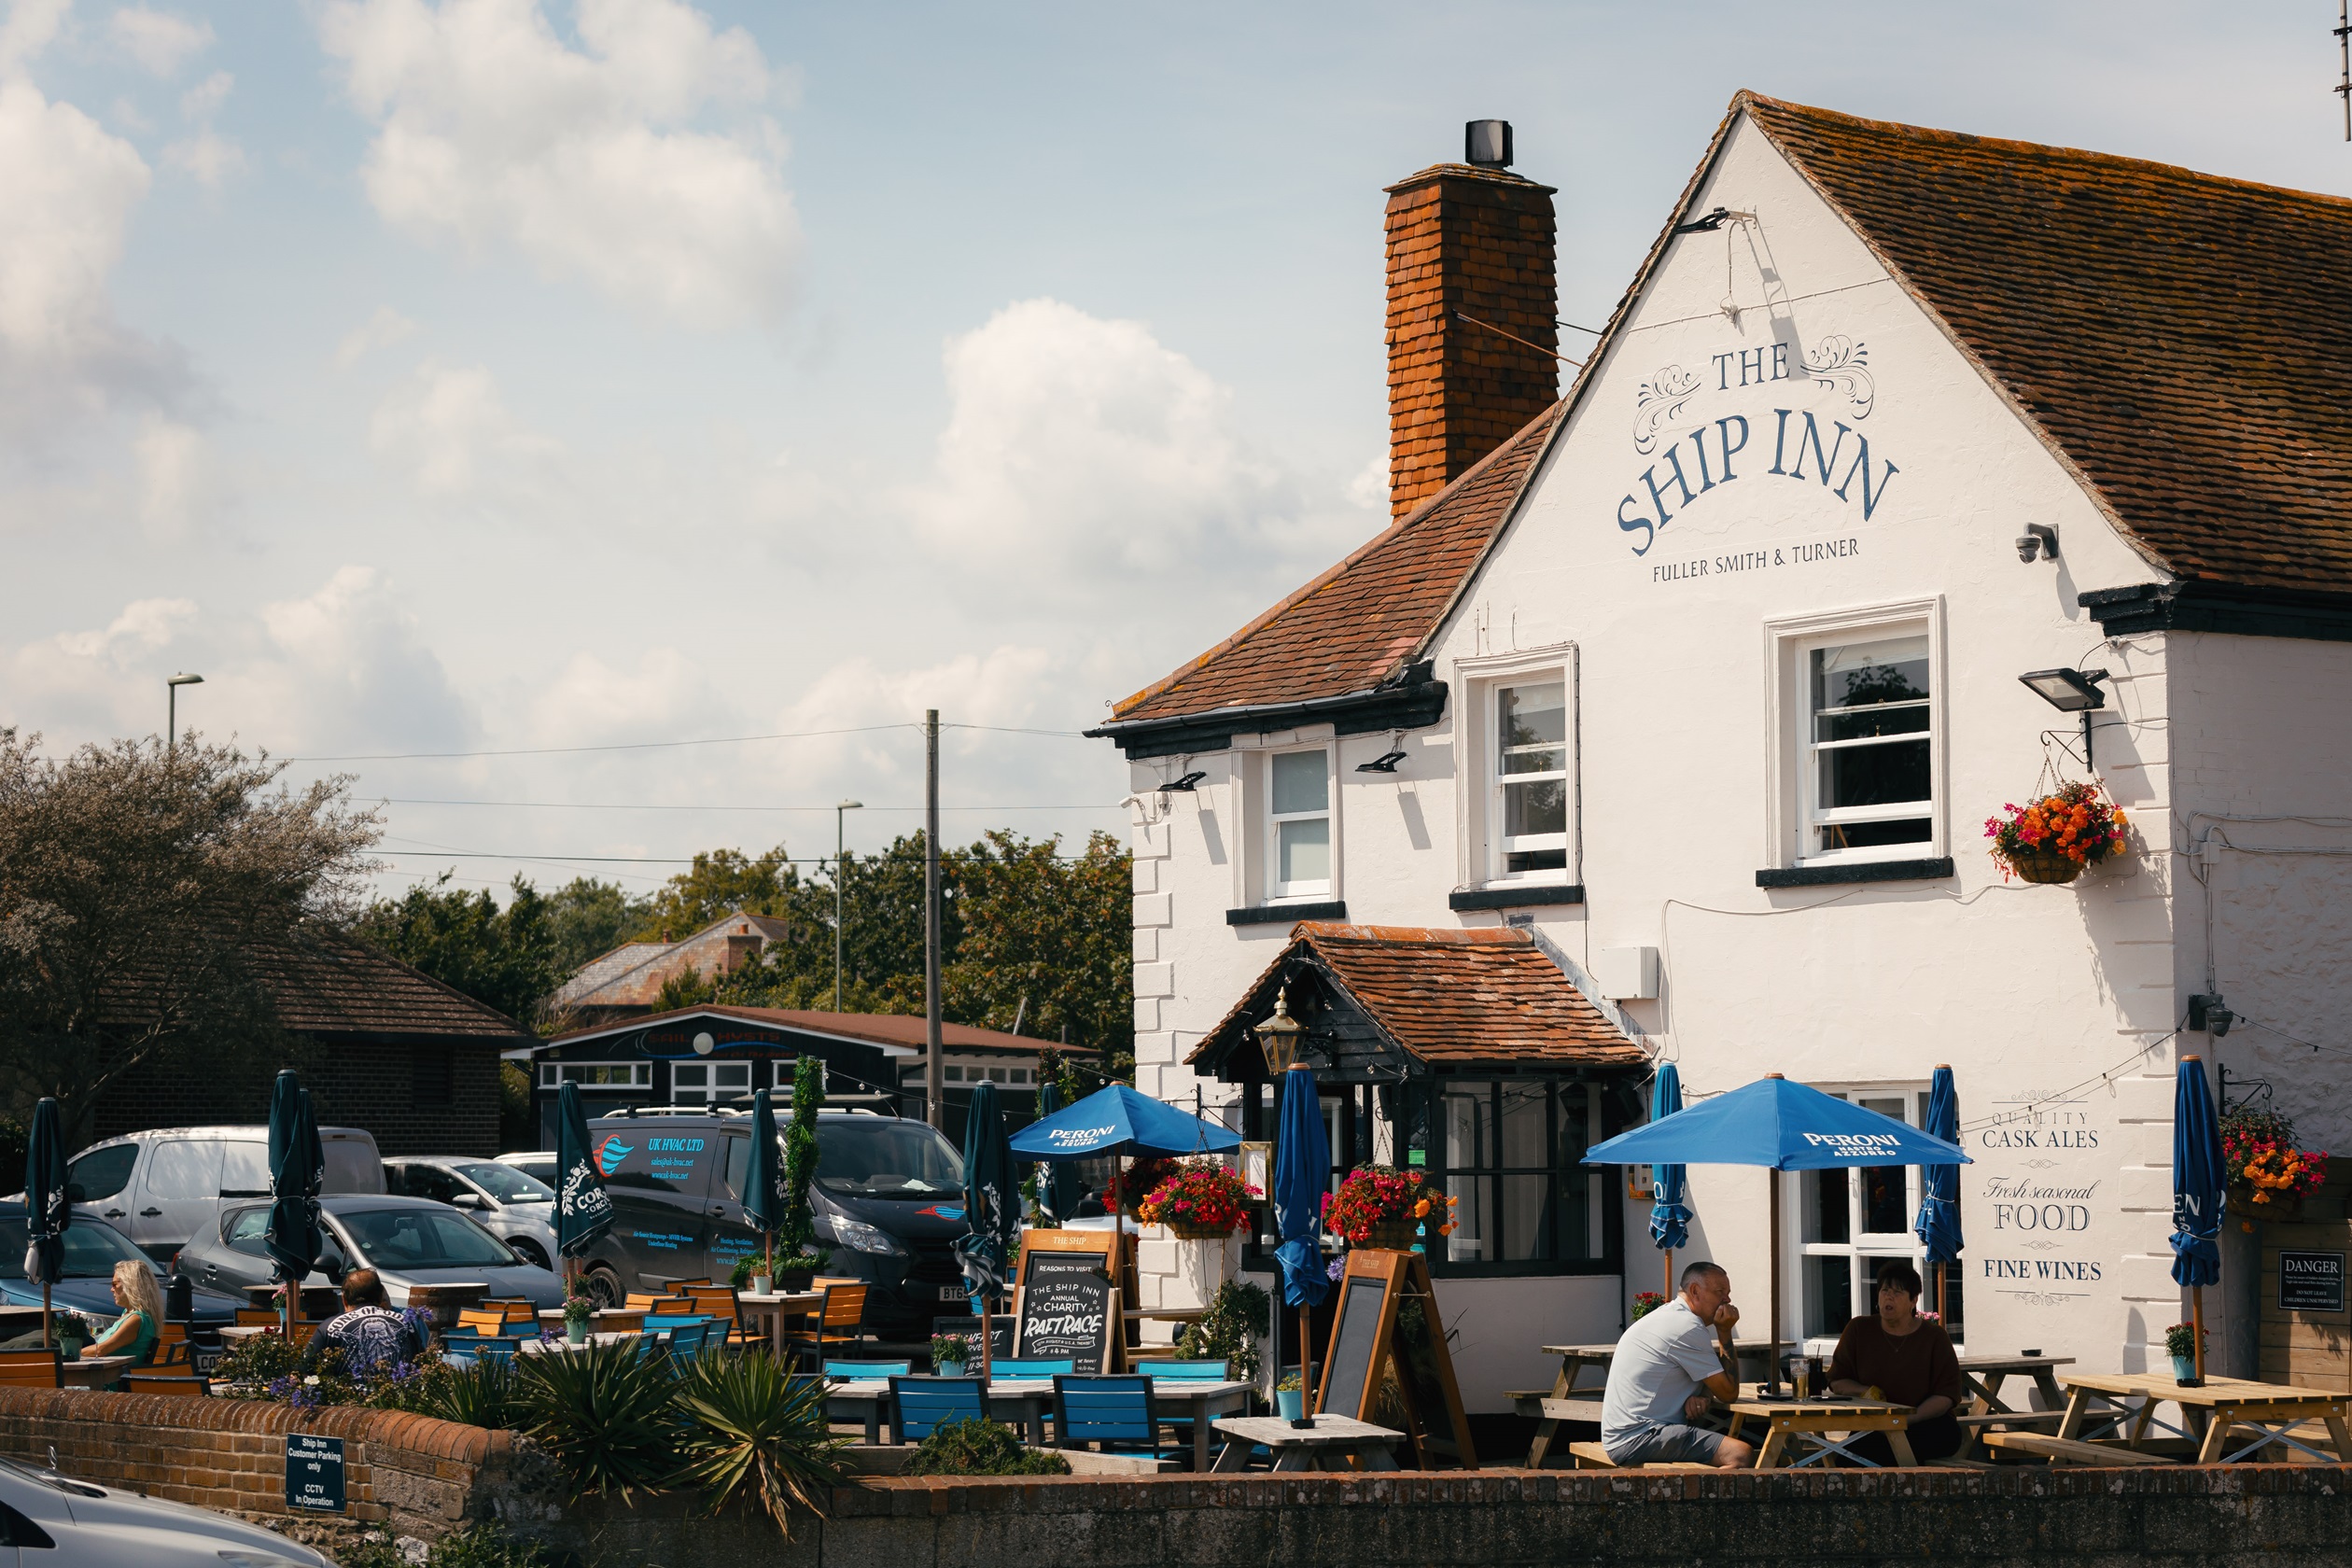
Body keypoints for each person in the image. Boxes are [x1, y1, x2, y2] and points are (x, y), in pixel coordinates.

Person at [1599, 1259, 1755, 1468]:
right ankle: (1698, 1501)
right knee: (1740, 1454)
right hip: (1640, 1436)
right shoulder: (1687, 1327)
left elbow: (1711, 1383)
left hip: (1625, 1434)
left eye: (1728, 1292)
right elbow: (1729, 1393)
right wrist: (1725, 1332)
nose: (1727, 1300)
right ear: (1695, 1290)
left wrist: (1703, 1395)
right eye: (1720, 1292)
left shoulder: (1669, 1316)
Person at [1826, 1258, 1966, 1463]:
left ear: (1913, 1300)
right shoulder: (1859, 1329)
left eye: (1897, 1292)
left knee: (1896, 1450)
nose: (1888, 1297)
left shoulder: (1934, 1337)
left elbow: (1946, 1396)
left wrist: (1905, 1419)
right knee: (1846, 1459)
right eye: (1884, 1291)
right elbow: (1837, 1380)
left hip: (1925, 1424)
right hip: (1874, 1425)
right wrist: (1864, 1391)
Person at [297, 1270, 426, 1378]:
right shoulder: (406, 1323)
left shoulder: (329, 1327)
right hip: (400, 1403)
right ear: (381, 1297)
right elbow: (421, 1364)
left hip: (348, 1405)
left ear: (344, 1299)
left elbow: (303, 1369)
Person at [86, 1261, 162, 1366]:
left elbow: (101, 1350)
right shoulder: (128, 1313)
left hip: (115, 1379)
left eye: (115, 1284)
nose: (111, 1289)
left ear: (130, 1286)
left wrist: (67, 1355)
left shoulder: (136, 1319)